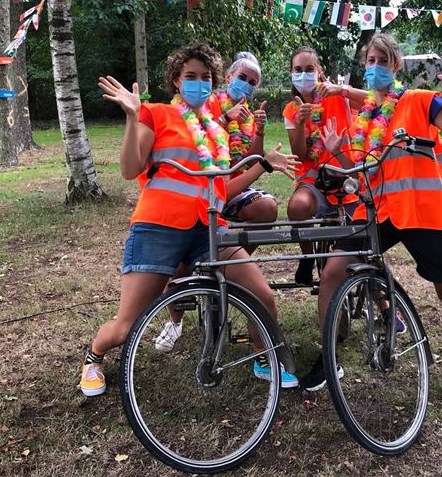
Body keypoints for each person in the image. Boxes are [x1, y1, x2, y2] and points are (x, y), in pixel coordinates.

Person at [80, 43, 300, 397]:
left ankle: (264, 357)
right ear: (175, 81)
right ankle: (93, 357)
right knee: (126, 327)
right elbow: (129, 170)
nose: (198, 82)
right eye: (190, 76)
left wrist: (263, 163)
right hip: (158, 228)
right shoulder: (156, 115)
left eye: (205, 77)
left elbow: (223, 189)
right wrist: (131, 118)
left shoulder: (215, 129)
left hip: (208, 230)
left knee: (263, 297)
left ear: (214, 83)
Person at [298, 35, 442, 391]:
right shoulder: (364, 119)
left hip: (423, 214)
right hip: (375, 212)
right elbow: (356, 170)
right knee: (333, 272)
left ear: (396, 66)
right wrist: (336, 152)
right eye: (369, 61)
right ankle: (328, 356)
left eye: (381, 61)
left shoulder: (420, 101)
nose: (374, 68)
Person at [282, 46, 359, 285]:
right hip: (313, 176)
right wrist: (301, 121)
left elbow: (375, 100)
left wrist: (342, 90)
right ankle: (308, 256)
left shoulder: (337, 95)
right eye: (298, 69)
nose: (303, 74)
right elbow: (299, 153)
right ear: (291, 73)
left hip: (346, 173)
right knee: (297, 207)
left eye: (309, 69)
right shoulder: (291, 109)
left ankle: (384, 304)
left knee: (360, 241)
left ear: (319, 71)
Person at [208, 52, 278, 225]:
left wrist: (259, 132)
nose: (246, 84)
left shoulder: (249, 118)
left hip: (235, 188)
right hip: (206, 185)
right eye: (242, 77)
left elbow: (253, 163)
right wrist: (226, 118)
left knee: (268, 208)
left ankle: (236, 253)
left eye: (252, 82)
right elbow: (198, 138)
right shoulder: (210, 102)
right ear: (229, 77)